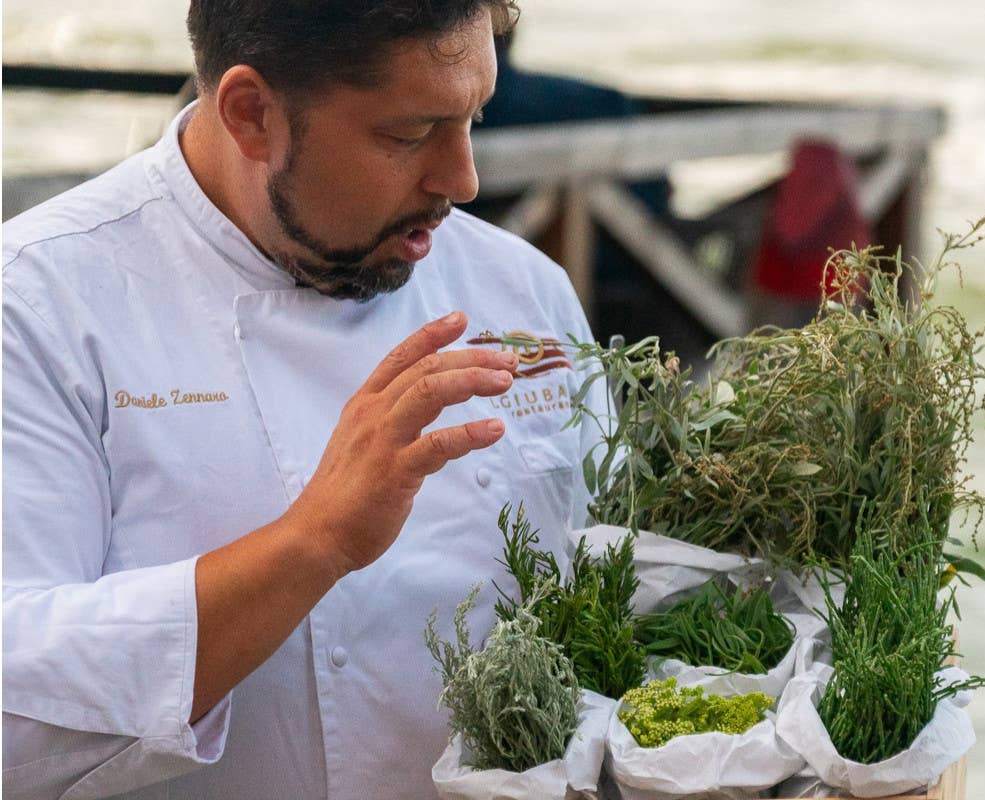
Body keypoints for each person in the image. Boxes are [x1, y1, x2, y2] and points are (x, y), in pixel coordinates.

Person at [2, 2, 606, 798]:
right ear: (252, 114)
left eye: (474, 118)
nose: (463, 180)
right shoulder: (39, 309)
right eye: (409, 134)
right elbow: (16, 720)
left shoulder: (522, 287)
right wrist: (315, 540)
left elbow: (616, 592)